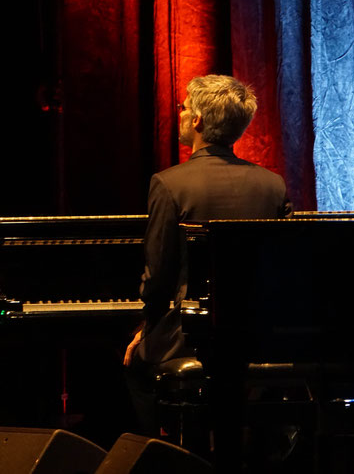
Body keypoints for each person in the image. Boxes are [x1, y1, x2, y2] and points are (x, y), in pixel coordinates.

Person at [123, 74, 293, 436]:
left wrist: (147, 328)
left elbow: (158, 276)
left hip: (192, 335)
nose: (180, 113)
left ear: (197, 120)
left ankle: (171, 454)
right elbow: (284, 269)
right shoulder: (272, 185)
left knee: (136, 369)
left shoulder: (169, 183)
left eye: (184, 108)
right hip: (259, 334)